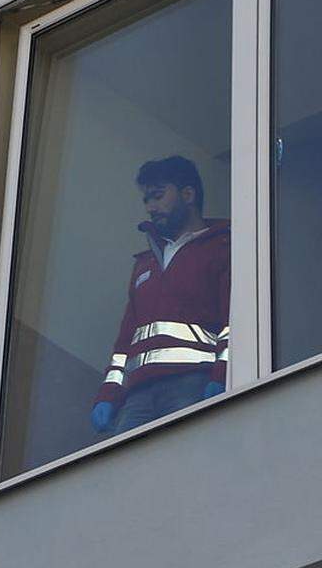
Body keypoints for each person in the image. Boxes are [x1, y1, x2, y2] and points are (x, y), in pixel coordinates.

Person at [90, 156, 230, 435]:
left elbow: (235, 318)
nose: (151, 207)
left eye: (158, 196)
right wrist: (108, 394)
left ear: (188, 194)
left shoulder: (221, 247)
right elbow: (124, 343)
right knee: (128, 472)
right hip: (138, 395)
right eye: (146, 200)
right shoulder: (145, 263)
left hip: (192, 383)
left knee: (186, 465)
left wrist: (223, 374)